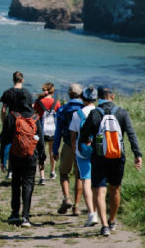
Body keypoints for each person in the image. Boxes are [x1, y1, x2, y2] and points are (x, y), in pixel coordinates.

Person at [79, 86, 143, 238]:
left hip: (99, 156)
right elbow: (131, 134)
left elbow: (84, 135)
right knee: (115, 189)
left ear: (99, 97)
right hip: (117, 156)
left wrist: (90, 141)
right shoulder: (122, 112)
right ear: (112, 96)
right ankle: (112, 220)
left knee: (99, 190)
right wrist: (137, 154)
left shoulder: (95, 113)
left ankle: (104, 226)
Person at [0, 89, 41, 227]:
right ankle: (26, 217)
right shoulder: (35, 117)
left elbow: (5, 139)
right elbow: (40, 140)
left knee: (16, 183)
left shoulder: (12, 116)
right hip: (31, 156)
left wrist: (2, 159)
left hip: (15, 155)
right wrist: (42, 158)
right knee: (28, 184)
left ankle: (14, 213)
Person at [52, 83, 84, 215]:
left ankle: (66, 198)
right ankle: (76, 206)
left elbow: (58, 131)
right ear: (81, 94)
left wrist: (55, 149)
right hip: (82, 146)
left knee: (64, 173)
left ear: (69, 94)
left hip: (68, 145)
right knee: (79, 176)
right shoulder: (84, 109)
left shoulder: (63, 110)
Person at [71, 86, 100, 227]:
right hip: (98, 152)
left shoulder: (77, 114)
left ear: (82, 98)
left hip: (82, 152)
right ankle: (98, 211)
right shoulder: (100, 113)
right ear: (96, 98)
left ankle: (91, 214)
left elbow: (73, 136)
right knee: (98, 183)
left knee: (86, 182)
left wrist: (75, 151)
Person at [0, 71, 34, 181]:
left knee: (7, 142)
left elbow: (4, 109)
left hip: (10, 119)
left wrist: (4, 121)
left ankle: (6, 166)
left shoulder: (7, 92)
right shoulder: (27, 93)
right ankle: (23, 165)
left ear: (13, 80)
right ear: (22, 80)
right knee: (23, 141)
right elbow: (31, 107)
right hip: (23, 120)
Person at [34, 82, 61, 184]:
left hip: (41, 130)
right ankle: (53, 172)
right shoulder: (56, 103)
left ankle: (42, 176)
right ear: (53, 91)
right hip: (53, 130)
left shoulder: (38, 102)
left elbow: (34, 114)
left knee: (41, 152)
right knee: (52, 151)